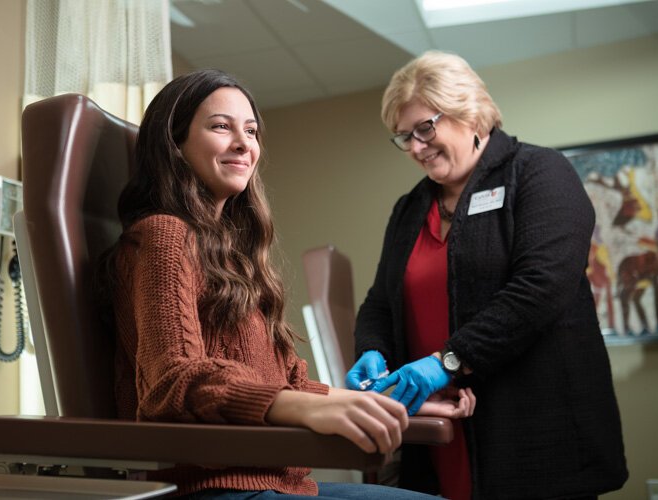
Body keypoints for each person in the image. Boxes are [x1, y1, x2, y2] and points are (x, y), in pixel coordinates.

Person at [101, 68, 472, 499]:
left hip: (282, 486)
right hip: (211, 489)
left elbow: (287, 381)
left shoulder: (231, 256)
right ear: (175, 145)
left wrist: (389, 400)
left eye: (252, 131)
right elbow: (172, 380)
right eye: (221, 126)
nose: (244, 143)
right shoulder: (163, 235)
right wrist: (305, 410)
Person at [345, 51, 628, 500]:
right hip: (442, 429)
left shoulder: (538, 172)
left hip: (533, 430)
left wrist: (448, 362)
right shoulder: (409, 209)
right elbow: (381, 302)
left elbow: (542, 287)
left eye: (425, 128)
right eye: (403, 137)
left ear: (469, 111)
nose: (416, 147)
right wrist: (373, 351)